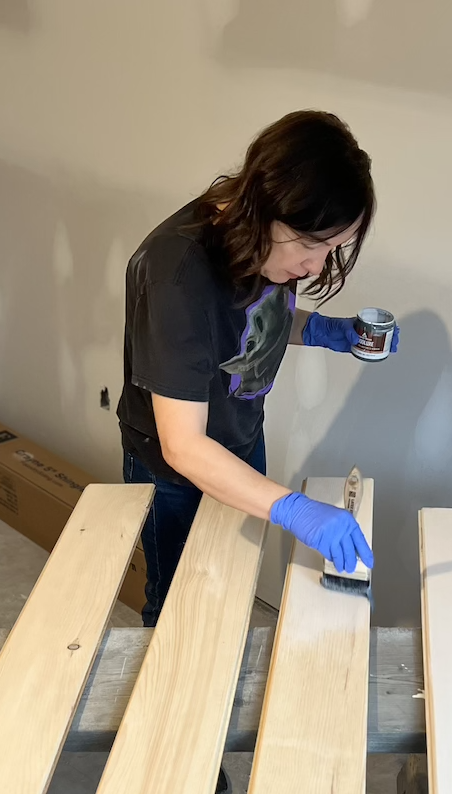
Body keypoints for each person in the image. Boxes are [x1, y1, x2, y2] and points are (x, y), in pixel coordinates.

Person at [117, 110, 399, 632]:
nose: (316, 267)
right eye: (311, 246)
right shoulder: (176, 275)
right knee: (178, 606)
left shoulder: (263, 239)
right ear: (266, 207)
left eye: (332, 248)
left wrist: (321, 330)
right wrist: (293, 509)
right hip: (173, 470)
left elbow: (254, 317)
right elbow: (183, 446)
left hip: (241, 436)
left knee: (227, 580)